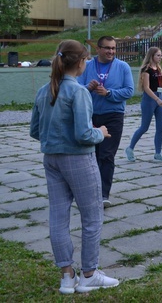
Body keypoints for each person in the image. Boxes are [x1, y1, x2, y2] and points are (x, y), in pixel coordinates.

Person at [31, 40, 119, 293]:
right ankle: (89, 273)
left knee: (58, 217)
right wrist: (100, 132)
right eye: (86, 60)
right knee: (92, 217)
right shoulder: (79, 92)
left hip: (52, 159)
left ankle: (67, 276)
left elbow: (36, 131)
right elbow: (83, 134)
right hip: (79, 160)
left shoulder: (43, 91)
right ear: (81, 62)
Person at [77, 36, 134, 208]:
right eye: (107, 48)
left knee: (107, 155)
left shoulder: (123, 67)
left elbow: (129, 91)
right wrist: (88, 88)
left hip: (113, 115)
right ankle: (88, 190)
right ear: (98, 49)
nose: (111, 52)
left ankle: (103, 193)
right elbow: (77, 88)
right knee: (90, 155)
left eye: (113, 48)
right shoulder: (86, 66)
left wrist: (109, 93)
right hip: (91, 115)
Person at [125, 47, 162, 163]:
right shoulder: (146, 69)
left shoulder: (158, 68)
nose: (160, 57)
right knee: (145, 127)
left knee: (160, 127)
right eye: (158, 55)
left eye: (161, 55)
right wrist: (156, 99)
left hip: (159, 96)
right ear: (152, 56)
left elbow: (160, 84)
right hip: (150, 99)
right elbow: (146, 88)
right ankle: (130, 148)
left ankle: (158, 153)